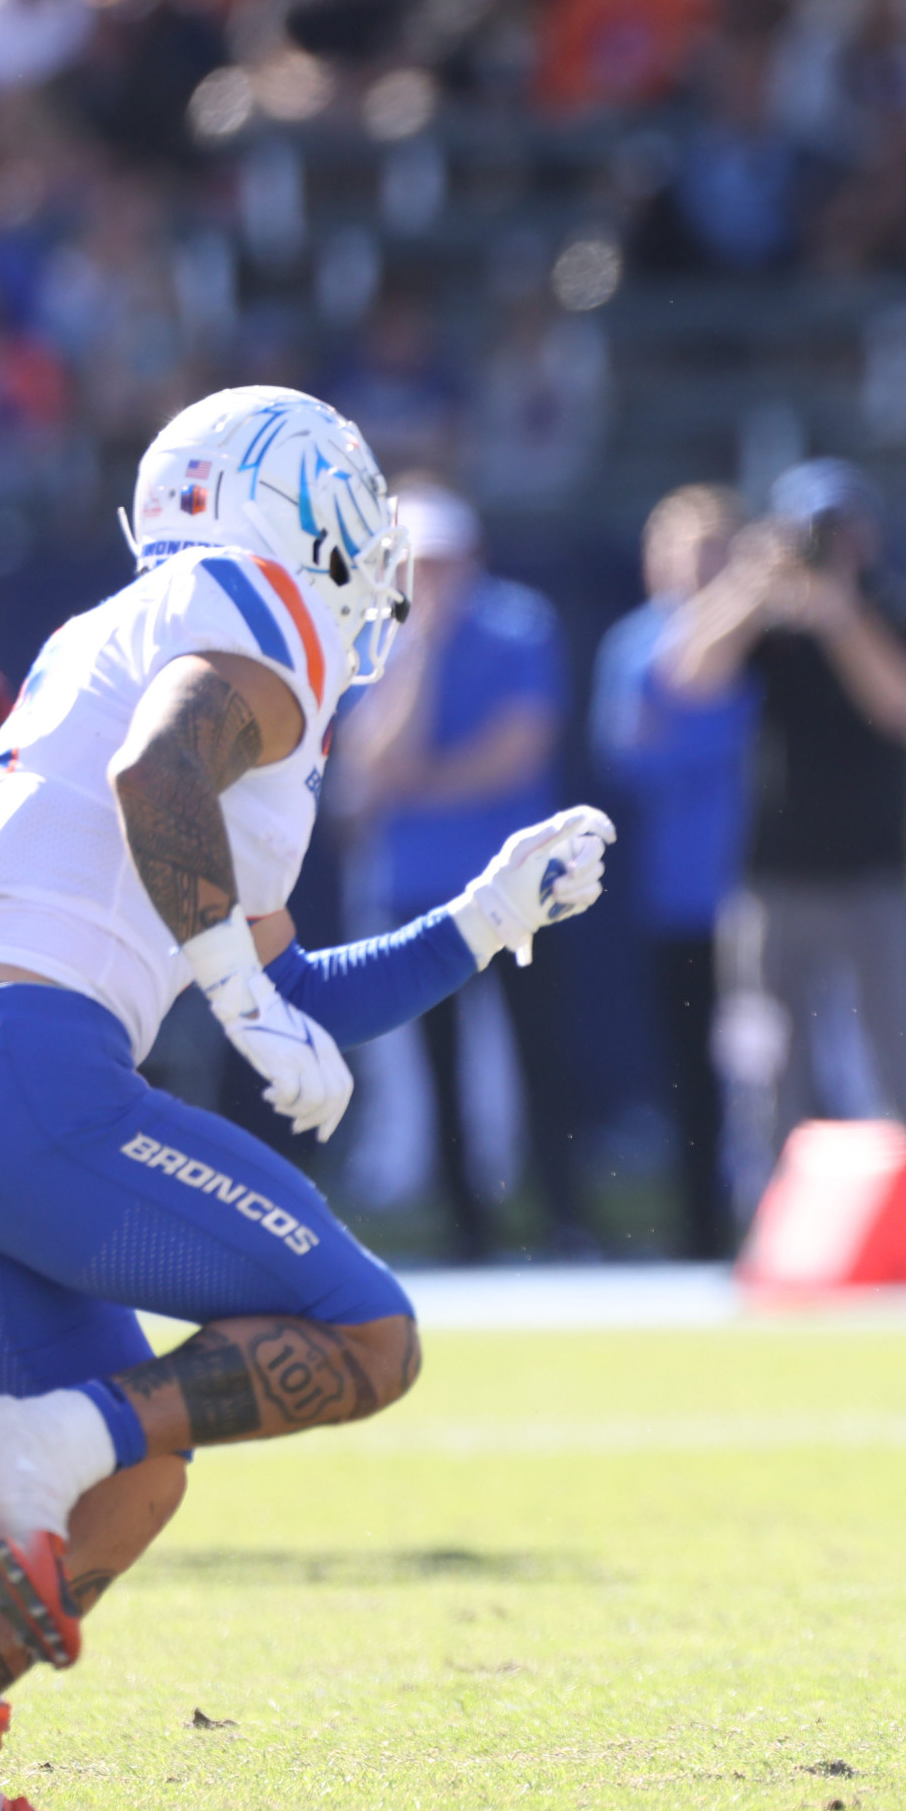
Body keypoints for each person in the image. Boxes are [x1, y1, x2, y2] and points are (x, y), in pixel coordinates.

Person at [0, 387, 613, 1811]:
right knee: (368, 1335)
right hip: (10, 1058)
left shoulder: (133, 631)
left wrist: (479, 921)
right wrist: (236, 1004)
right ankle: (44, 1443)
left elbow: (289, 977)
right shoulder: (258, 607)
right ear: (299, 509)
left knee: (134, 1468)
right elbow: (159, 780)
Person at [665, 458, 906, 1195]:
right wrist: (749, 582)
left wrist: (840, 614)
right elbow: (689, 676)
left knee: (900, 1060)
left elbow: (904, 709)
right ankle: (774, 1217)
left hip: (874, 875)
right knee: (765, 1066)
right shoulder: (767, 616)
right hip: (772, 881)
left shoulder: (898, 607)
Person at [334, 484, 597, 1256]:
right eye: (418, 562)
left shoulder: (519, 624)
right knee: (438, 1069)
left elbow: (518, 751)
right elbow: (374, 762)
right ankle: (467, 1227)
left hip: (526, 889)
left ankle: (563, 1218)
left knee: (543, 1054)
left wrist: (419, 783)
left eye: (442, 560)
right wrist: (421, 649)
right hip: (418, 890)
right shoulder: (381, 636)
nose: (432, 577)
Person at [592, 484, 752, 1257]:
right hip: (674, 895)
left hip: (757, 891)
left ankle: (769, 1218)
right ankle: (700, 1227)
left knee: (764, 1064)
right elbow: (634, 753)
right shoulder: (632, 645)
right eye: (684, 552)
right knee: (691, 1069)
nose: (698, 568)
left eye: (714, 551)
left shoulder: (760, 640)